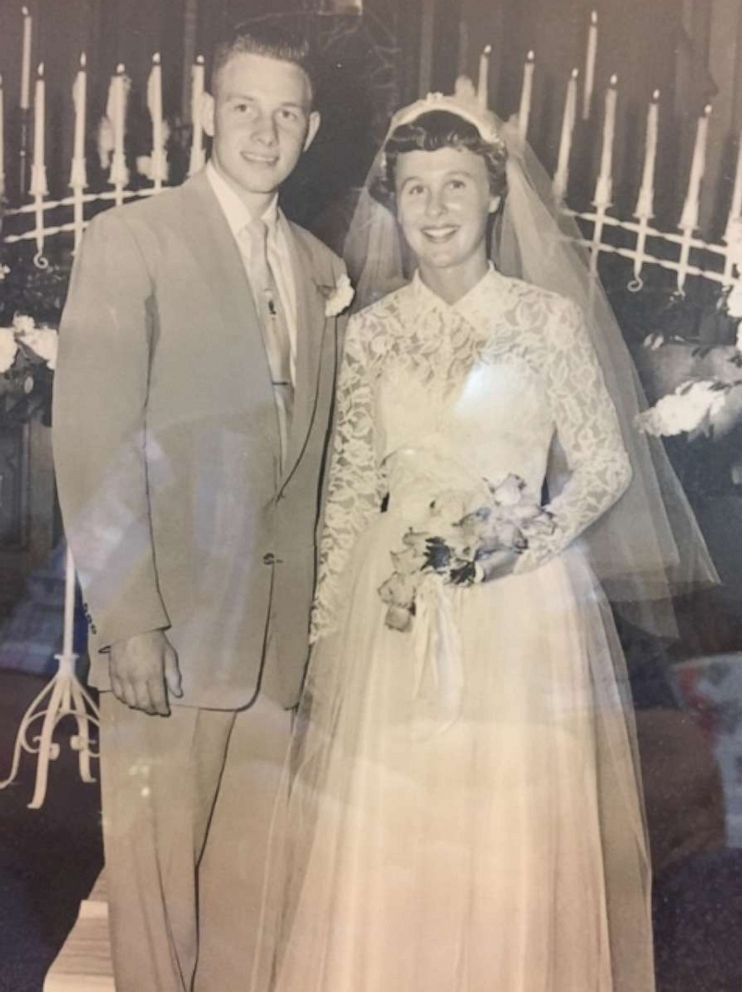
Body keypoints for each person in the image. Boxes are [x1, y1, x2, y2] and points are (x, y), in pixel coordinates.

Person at [255, 82, 717, 992]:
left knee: (498, 844)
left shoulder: (544, 320)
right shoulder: (369, 332)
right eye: (416, 187)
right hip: (386, 622)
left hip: (514, 611)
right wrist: (320, 635)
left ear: (496, 194)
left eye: (456, 185)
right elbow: (350, 487)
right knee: (388, 847)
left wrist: (520, 542)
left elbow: (604, 465)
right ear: (395, 201)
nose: (435, 209)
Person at [52, 22, 350, 992]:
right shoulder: (131, 240)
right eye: (243, 107)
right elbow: (94, 443)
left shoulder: (318, 267)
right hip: (168, 637)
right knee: (154, 905)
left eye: (286, 112)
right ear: (202, 108)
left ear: (310, 128)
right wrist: (128, 617)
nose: (264, 131)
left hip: (275, 646)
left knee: (250, 907)